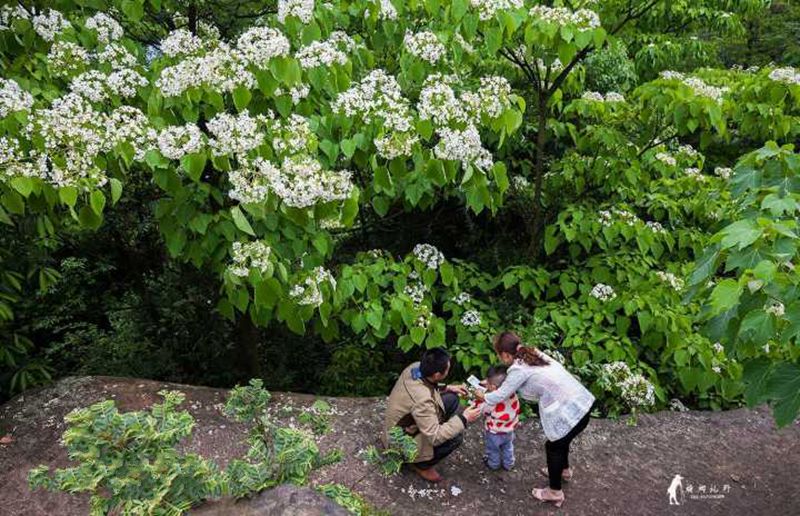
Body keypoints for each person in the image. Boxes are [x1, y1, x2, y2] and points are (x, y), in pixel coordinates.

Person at [474, 331, 596, 508]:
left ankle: (555, 492)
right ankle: (564, 470)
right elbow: (512, 381)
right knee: (562, 441)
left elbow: (501, 394)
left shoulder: (517, 369)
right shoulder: (532, 353)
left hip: (570, 410)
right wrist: (492, 382)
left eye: (499, 355)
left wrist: (483, 396)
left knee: (553, 446)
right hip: (581, 402)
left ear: (505, 354)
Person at [384, 348, 483, 482]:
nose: (449, 369)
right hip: (401, 441)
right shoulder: (423, 401)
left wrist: (446, 387)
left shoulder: (415, 367)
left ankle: (429, 438)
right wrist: (464, 418)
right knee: (455, 437)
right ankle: (420, 464)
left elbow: (426, 383)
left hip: (406, 422)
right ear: (437, 374)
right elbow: (434, 437)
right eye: (447, 368)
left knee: (452, 399)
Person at [471, 365, 520, 471]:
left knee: (493, 449)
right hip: (509, 430)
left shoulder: (491, 401)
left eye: (488, 382)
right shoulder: (512, 393)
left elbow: (482, 410)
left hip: (494, 432)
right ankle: (509, 464)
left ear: (493, 387)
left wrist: (478, 399)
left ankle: (493, 464)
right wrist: (488, 384)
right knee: (508, 447)